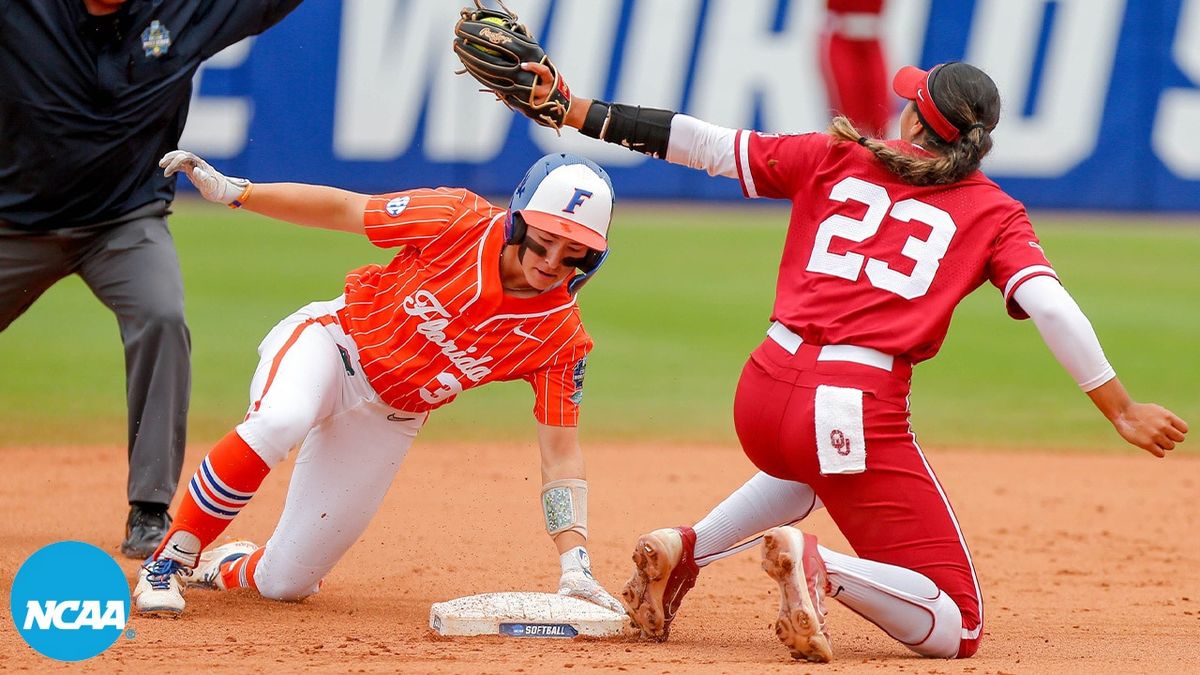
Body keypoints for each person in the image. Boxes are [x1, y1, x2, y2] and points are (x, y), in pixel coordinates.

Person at [473, 53, 1190, 661]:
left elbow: (702, 143)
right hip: (850, 403)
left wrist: (573, 108)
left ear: (915, 119)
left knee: (812, 470)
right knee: (959, 625)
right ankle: (823, 568)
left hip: (763, 389)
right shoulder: (995, 211)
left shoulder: (835, 155)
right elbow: (1051, 305)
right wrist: (1119, 406)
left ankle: (685, 549)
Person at [131, 149, 624, 618]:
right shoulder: (456, 219)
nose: (552, 260)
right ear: (518, 220)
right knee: (281, 419)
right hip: (333, 345)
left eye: (573, 252)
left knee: (287, 583)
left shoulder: (561, 337)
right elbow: (347, 208)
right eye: (544, 239)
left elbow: (561, 455)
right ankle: (171, 559)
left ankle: (229, 565)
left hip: (391, 414)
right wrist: (241, 193)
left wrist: (574, 563)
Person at [0, 0, 304, 559]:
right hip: (13, 225)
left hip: (123, 223)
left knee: (161, 316)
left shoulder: (182, 12)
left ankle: (150, 507)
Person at [820, 0, 890, 138]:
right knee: (848, 115)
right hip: (842, 36)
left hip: (872, 38)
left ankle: (880, 156)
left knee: (881, 113)